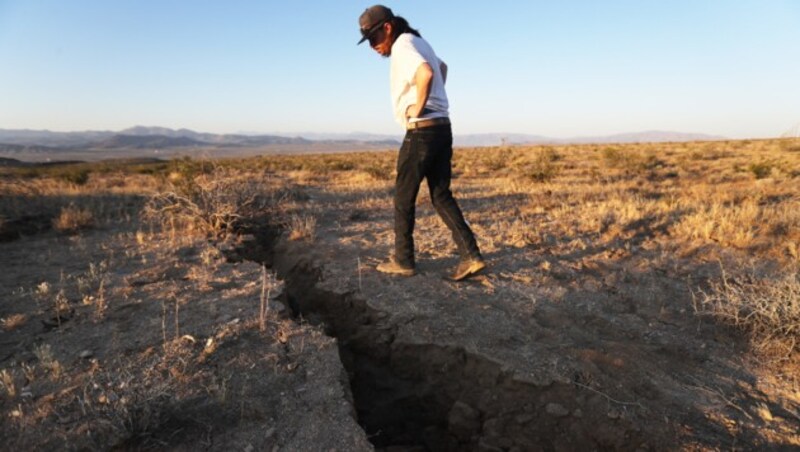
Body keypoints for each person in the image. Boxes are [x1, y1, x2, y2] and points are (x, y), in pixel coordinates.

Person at [357, 5, 486, 281]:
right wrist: (435, 101)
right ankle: (471, 256)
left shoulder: (403, 45)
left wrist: (417, 109)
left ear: (388, 28)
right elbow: (442, 67)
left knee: (404, 197)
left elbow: (427, 73)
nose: (372, 46)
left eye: (373, 38)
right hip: (442, 127)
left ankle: (403, 260)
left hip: (422, 131)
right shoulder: (418, 41)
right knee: (440, 195)